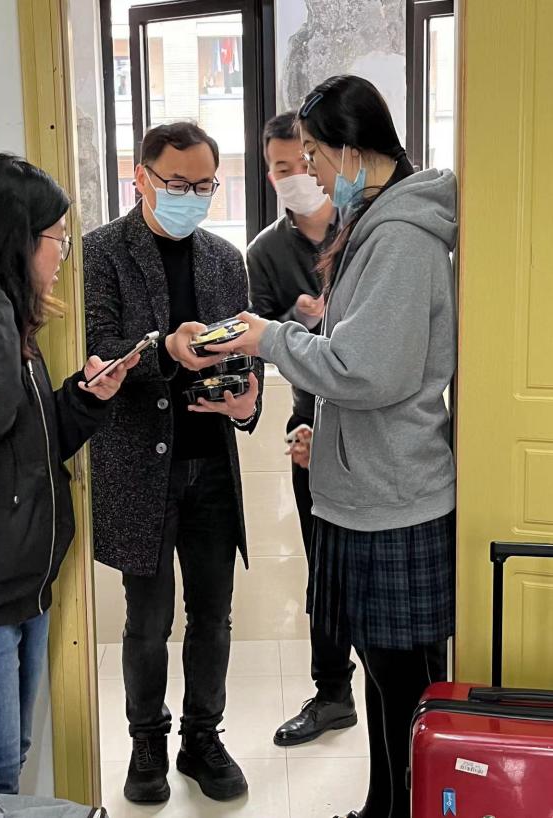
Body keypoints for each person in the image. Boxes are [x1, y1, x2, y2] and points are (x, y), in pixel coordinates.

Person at [172, 75, 457, 818]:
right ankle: (382, 806)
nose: (312, 176)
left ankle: (400, 810)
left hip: (395, 495)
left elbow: (370, 370)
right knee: (387, 679)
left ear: (351, 150)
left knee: (404, 686)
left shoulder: (401, 238)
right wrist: (318, 422)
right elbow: (363, 354)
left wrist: (271, 338)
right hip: (371, 484)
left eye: (315, 159)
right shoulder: (376, 223)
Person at [0, 154, 135, 794]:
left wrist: (83, 399)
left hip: (21, 588)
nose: (62, 256)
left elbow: (27, 449)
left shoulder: (1, 320)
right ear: (15, 241)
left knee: (9, 760)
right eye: (57, 240)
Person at [83, 122, 263, 805]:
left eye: (205, 185)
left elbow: (242, 350)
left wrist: (245, 400)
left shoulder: (224, 259)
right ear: (141, 177)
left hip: (209, 463)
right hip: (138, 468)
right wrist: (164, 348)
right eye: (178, 184)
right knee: (147, 621)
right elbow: (100, 347)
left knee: (213, 616)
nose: (192, 196)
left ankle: (202, 738)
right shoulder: (102, 251)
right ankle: (146, 743)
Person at [247, 112, 358, 747]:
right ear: (269, 175)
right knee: (325, 564)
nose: (295, 176)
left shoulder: (366, 225)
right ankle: (333, 692)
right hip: (311, 423)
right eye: (281, 168)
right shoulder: (265, 252)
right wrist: (296, 318)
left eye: (303, 162)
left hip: (376, 424)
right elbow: (258, 341)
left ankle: (404, 692)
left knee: (377, 568)